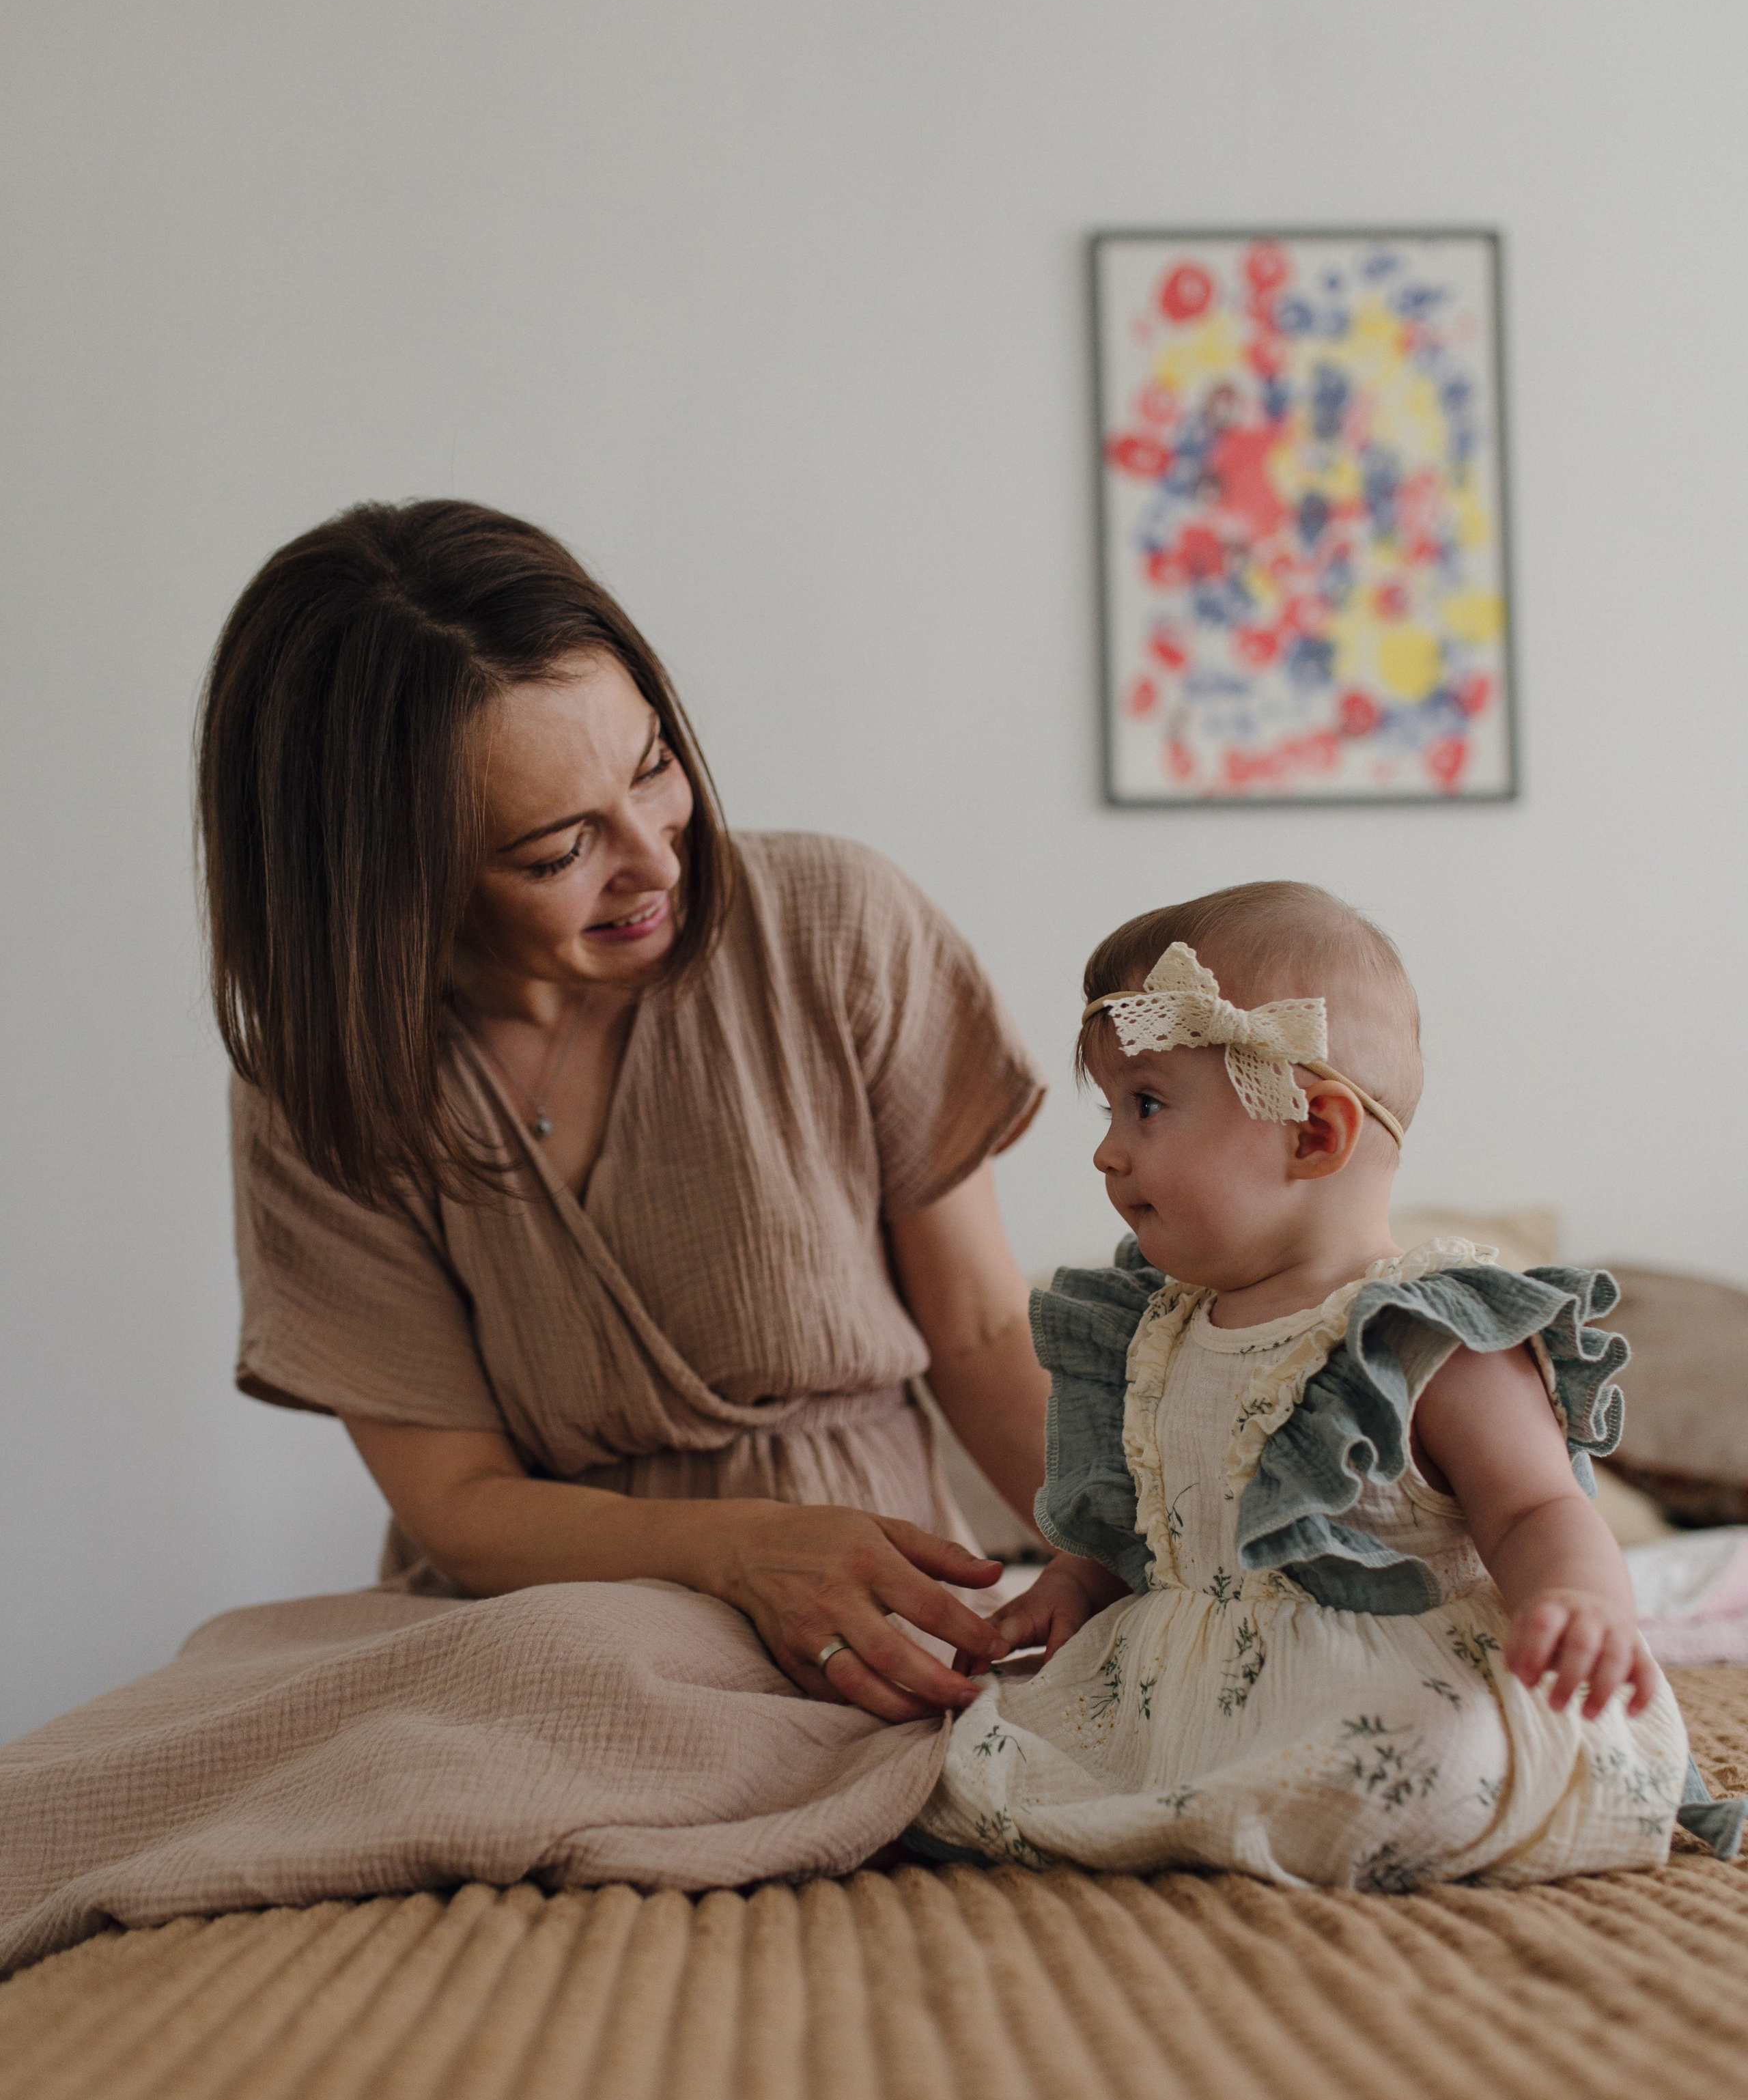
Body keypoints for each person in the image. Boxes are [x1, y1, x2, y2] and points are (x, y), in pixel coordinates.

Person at [0, 499, 1051, 1972]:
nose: (656, 860)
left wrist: (1148, 1555)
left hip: (862, 1623)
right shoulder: (327, 1083)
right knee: (172, 1722)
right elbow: (458, 1499)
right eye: (559, 847)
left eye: (655, 766)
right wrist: (740, 1554)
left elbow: (984, 1333)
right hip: (542, 1616)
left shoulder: (834, 928)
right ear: (388, 872)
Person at [914, 881, 1739, 1889]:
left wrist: (1578, 1602)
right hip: (1183, 1683)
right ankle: (1183, 1800)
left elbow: (1534, 1508)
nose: (1107, 1150)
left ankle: (1241, 1811)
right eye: (1112, 1108)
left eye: (1148, 1105)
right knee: (968, 1746)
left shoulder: (1424, 1334)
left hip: (1378, 1683)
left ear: (1313, 1134)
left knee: (1415, 1767)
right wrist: (1072, 1584)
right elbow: (1155, 1519)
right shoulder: (1158, 1328)